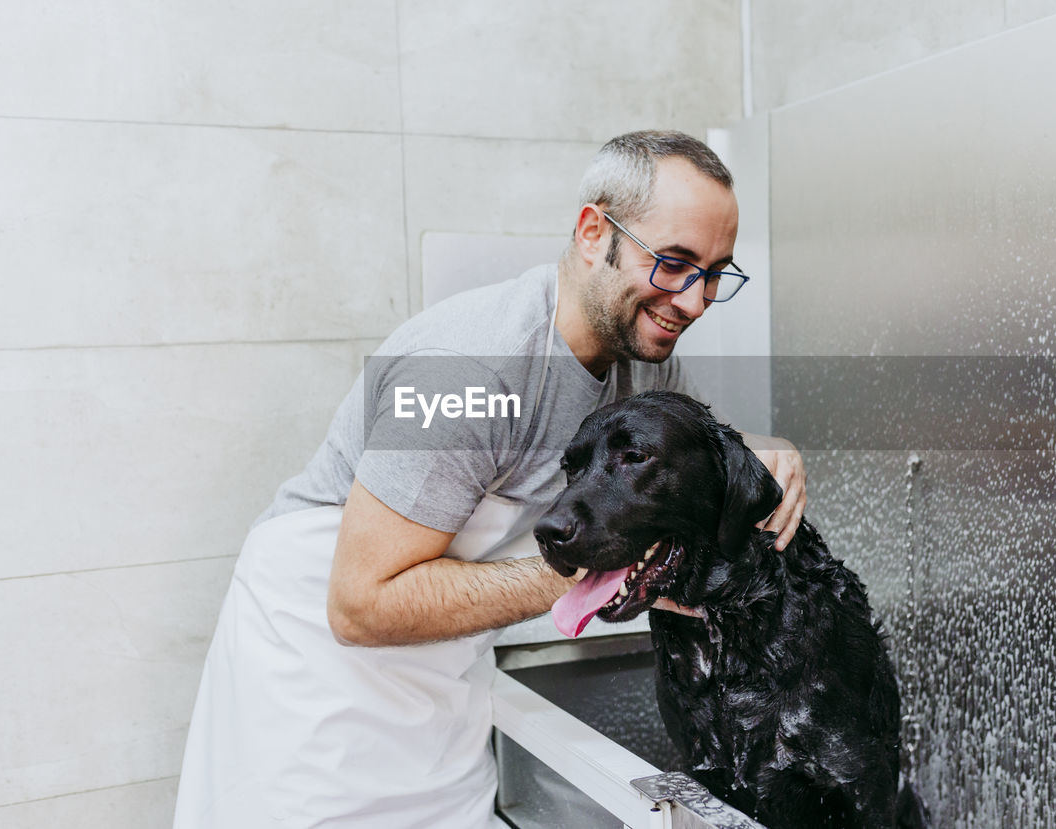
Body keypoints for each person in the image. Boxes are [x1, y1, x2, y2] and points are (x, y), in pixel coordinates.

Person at [173, 130, 807, 828]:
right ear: (594, 232)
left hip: (441, 682)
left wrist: (765, 448)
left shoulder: (643, 358)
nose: (693, 302)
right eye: (674, 263)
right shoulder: (470, 368)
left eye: (716, 273)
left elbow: (686, 455)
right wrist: (590, 568)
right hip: (317, 679)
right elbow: (360, 602)